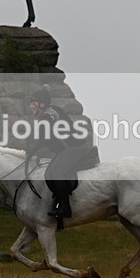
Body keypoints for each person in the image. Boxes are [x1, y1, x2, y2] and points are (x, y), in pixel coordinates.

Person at [25, 85, 91, 220]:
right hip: (68, 149)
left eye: (33, 103)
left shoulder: (51, 113)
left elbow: (44, 135)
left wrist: (29, 153)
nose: (30, 106)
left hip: (76, 148)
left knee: (57, 173)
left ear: (41, 104)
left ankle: (65, 208)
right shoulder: (45, 114)